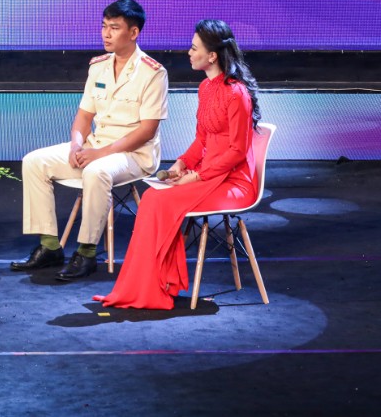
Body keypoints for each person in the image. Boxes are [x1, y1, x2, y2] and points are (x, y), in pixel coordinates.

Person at [96, 19, 261, 310]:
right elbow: (202, 140)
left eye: (194, 48)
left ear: (212, 55)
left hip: (232, 182)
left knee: (157, 201)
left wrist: (196, 177)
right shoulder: (206, 88)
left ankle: (153, 287)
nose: (189, 52)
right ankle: (148, 285)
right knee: (153, 197)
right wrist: (181, 164)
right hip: (207, 175)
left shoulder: (236, 93)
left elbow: (237, 152)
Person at [12, 0, 167, 281]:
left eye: (114, 28)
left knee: (96, 171)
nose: (106, 34)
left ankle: (86, 253)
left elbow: (147, 131)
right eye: (104, 26)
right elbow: (84, 116)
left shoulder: (153, 72)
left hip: (135, 154)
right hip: (96, 146)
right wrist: (76, 144)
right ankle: (49, 246)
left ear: (133, 32)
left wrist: (99, 154)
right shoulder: (98, 66)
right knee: (34, 161)